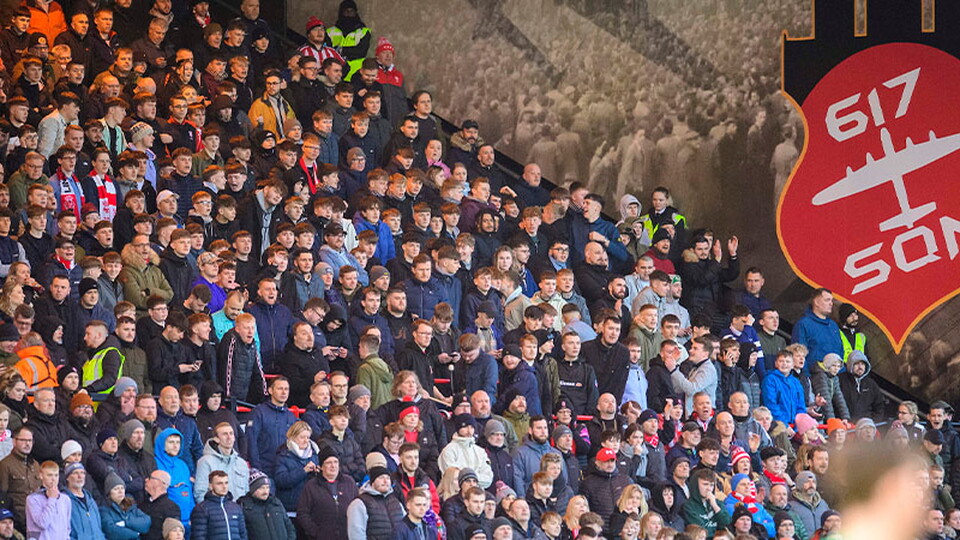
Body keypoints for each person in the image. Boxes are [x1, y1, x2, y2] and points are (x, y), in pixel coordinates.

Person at [194, 422, 249, 501]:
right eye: (224, 434)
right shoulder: (205, 462)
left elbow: (247, 493)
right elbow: (200, 494)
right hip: (215, 508)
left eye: (231, 433)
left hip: (239, 508)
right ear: (216, 439)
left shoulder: (241, 463)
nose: (229, 437)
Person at [791, 289, 843, 372]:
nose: (831, 303)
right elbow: (798, 353)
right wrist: (806, 376)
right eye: (827, 300)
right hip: (814, 375)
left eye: (831, 300)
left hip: (835, 376)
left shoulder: (833, 325)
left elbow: (840, 351)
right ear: (816, 302)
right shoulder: (803, 324)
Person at [346, 465, 403, 540]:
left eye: (388, 478)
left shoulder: (396, 502)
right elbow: (356, 534)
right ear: (372, 482)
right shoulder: (359, 503)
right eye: (381, 478)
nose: (385, 481)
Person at [237, 469, 295, 540]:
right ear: (253, 489)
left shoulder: (276, 503)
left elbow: (289, 527)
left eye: (267, 487)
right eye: (262, 488)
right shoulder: (244, 507)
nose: (265, 491)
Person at [190, 470, 248, 540]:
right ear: (210, 486)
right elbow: (198, 536)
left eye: (226, 483)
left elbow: (243, 534)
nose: (224, 486)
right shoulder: (202, 509)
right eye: (219, 483)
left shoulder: (236, 508)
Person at [26, 460, 71, 540]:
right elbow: (42, 523)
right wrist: (51, 499)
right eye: (49, 475)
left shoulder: (65, 499)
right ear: (41, 475)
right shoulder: (33, 499)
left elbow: (67, 527)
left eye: (56, 475)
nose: (53, 479)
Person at [99, 472, 151, 539]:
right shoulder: (104, 510)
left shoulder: (131, 505)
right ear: (109, 492)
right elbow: (111, 531)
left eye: (122, 488)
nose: (120, 491)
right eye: (116, 489)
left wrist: (126, 523)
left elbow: (146, 522)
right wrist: (136, 533)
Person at [63, 462, 106, 540]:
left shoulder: (90, 500)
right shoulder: (64, 500)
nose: (80, 476)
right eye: (75, 473)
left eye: (82, 473)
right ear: (67, 478)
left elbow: (98, 528)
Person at [682, 468, 731, 536]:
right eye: (705, 484)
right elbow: (701, 531)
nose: (709, 488)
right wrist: (718, 531)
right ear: (696, 485)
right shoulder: (688, 506)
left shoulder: (718, 503)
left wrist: (715, 506)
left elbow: (727, 524)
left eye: (711, 485)